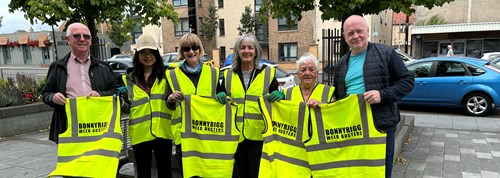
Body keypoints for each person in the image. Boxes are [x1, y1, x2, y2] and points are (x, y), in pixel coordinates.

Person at [333, 15, 415, 178]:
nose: (355, 36)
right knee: (356, 173)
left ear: (367, 31)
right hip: (353, 127)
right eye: (350, 33)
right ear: (344, 37)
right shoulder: (341, 63)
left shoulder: (386, 53)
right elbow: (337, 95)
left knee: (381, 172)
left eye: (359, 31)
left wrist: (382, 94)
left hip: (381, 126)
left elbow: (407, 81)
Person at [217, 33, 284, 178]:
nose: (246, 51)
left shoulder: (267, 73)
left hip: (259, 136)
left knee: (258, 174)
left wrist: (281, 96)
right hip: (236, 136)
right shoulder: (228, 75)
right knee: (242, 173)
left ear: (256, 52)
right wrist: (219, 96)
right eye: (242, 48)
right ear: (237, 51)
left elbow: (278, 101)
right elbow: (221, 99)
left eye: (250, 48)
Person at [42, 22, 117, 144]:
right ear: (68, 39)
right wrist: (53, 97)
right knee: (72, 162)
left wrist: (101, 95)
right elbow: (46, 94)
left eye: (86, 36)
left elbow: (116, 91)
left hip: (98, 126)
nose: (82, 39)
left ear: (91, 40)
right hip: (69, 127)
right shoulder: (58, 67)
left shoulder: (103, 67)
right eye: (77, 36)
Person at [165, 33, 221, 177]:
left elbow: (221, 101)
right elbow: (168, 105)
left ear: (200, 49)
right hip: (184, 138)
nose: (191, 51)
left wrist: (222, 96)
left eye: (194, 47)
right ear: (182, 53)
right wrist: (170, 98)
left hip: (207, 135)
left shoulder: (213, 73)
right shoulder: (172, 75)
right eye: (186, 48)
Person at [119, 34, 173, 178]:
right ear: (137, 55)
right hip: (140, 134)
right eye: (143, 52)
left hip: (163, 131)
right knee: (143, 173)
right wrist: (120, 101)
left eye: (151, 52)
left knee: (165, 172)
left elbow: (172, 103)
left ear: (156, 54)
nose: (147, 56)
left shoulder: (167, 76)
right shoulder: (129, 79)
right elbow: (128, 108)